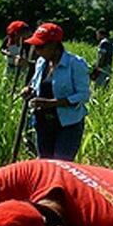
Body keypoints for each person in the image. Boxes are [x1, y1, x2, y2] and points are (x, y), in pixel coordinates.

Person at [22, 23, 90, 161]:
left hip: (68, 124)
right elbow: (36, 83)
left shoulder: (75, 64)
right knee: (45, 164)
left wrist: (52, 103)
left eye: (41, 46)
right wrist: (29, 89)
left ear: (54, 46)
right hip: (43, 122)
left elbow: (83, 95)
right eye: (35, 46)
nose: (36, 50)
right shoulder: (41, 62)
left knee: (61, 165)